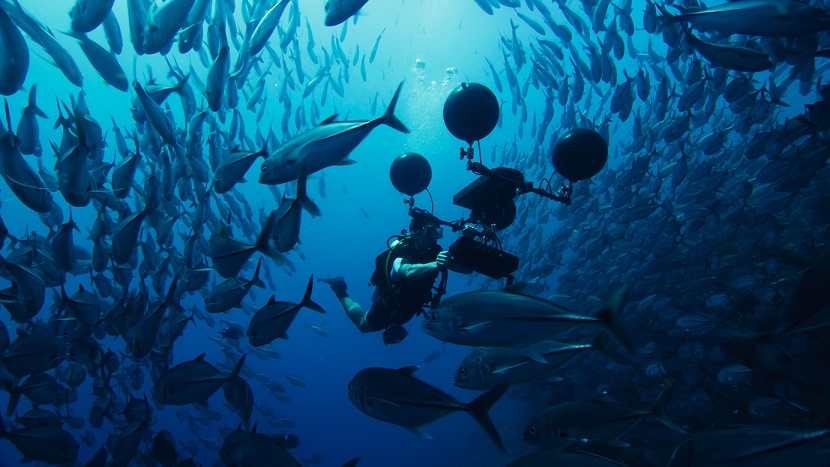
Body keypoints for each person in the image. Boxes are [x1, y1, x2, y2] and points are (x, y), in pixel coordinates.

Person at [321, 215, 469, 344]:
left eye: (437, 233)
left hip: (409, 307)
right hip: (389, 306)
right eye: (429, 232)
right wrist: (437, 264)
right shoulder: (401, 256)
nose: (434, 238)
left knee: (377, 298)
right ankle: (340, 289)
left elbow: (467, 270)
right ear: (416, 233)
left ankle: (379, 289)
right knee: (362, 324)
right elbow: (408, 271)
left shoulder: (436, 253)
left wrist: (469, 239)